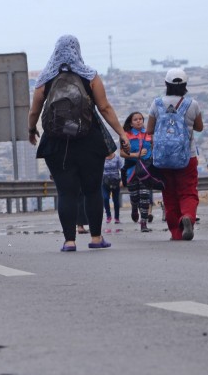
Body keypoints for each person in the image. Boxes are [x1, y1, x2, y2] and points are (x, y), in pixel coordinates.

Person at [28, 35, 128, 252]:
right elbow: (105, 108)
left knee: (66, 193)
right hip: (89, 141)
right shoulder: (90, 76)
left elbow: (35, 110)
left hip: (56, 144)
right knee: (92, 190)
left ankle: (69, 241)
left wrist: (31, 129)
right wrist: (121, 133)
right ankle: (96, 237)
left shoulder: (45, 78)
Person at [146, 68, 204, 241]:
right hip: (187, 156)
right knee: (188, 192)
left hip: (163, 159)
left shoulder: (156, 104)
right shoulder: (192, 104)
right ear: (185, 85)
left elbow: (149, 130)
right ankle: (187, 216)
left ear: (166, 84)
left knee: (169, 194)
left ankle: (176, 232)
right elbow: (199, 128)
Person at [121, 112, 154, 232]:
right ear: (131, 122)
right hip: (132, 170)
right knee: (135, 196)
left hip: (146, 170)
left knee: (145, 196)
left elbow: (154, 148)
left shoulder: (149, 134)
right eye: (135, 119)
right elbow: (121, 153)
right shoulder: (126, 135)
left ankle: (143, 223)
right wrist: (136, 154)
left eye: (140, 119)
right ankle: (134, 208)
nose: (139, 121)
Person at [102, 153, 122, 224]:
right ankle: (108, 215)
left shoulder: (117, 157)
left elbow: (122, 169)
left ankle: (117, 217)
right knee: (105, 198)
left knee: (116, 200)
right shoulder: (102, 157)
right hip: (105, 182)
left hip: (115, 181)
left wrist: (122, 181)